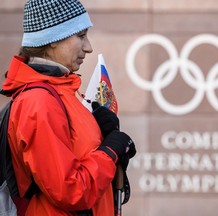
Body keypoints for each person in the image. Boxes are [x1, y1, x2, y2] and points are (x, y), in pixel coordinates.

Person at [1, 0, 136, 215]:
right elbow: (71, 191)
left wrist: (104, 134)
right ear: (53, 39)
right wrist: (110, 151)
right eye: (81, 36)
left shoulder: (63, 93)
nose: (88, 47)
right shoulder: (39, 102)